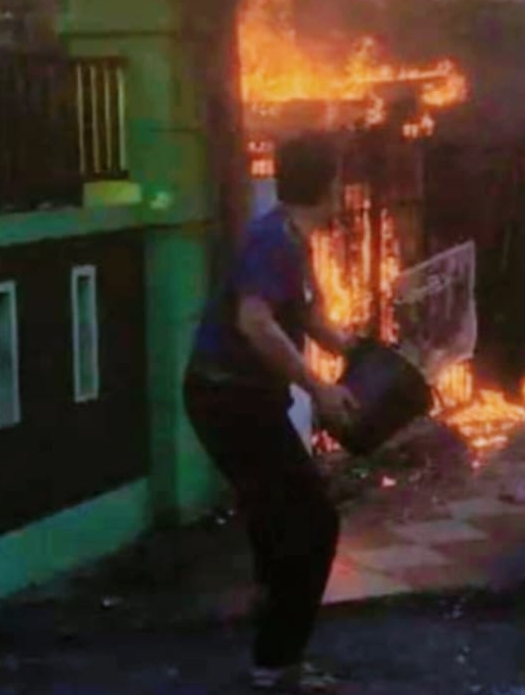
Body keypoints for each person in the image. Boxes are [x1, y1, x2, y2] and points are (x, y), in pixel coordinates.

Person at [185, 131, 360, 694]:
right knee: (314, 521)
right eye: (340, 179)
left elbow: (304, 313)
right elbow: (254, 321)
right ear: (330, 186)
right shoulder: (273, 241)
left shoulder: (288, 237)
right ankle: (277, 663)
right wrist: (320, 386)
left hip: (241, 398)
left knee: (276, 515)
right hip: (227, 399)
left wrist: (353, 350)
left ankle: (270, 621)